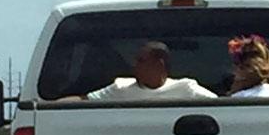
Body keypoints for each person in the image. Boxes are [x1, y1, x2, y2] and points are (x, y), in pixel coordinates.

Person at [88, 41, 217, 100]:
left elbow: (219, 105)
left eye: (141, 60)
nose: (135, 65)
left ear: (159, 65)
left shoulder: (186, 88)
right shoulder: (121, 87)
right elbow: (84, 100)